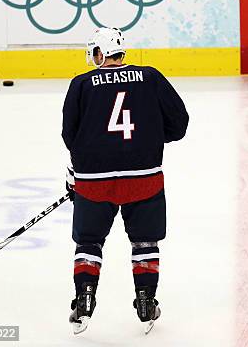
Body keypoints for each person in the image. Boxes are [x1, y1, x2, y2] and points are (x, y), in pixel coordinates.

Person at [62, 27, 189, 334]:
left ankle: (85, 297)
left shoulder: (81, 83)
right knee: (145, 241)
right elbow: (179, 123)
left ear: (101, 53)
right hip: (143, 177)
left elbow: (70, 134)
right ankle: (146, 299)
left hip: (94, 180)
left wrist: (77, 172)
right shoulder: (151, 77)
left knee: (89, 241)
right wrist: (151, 140)